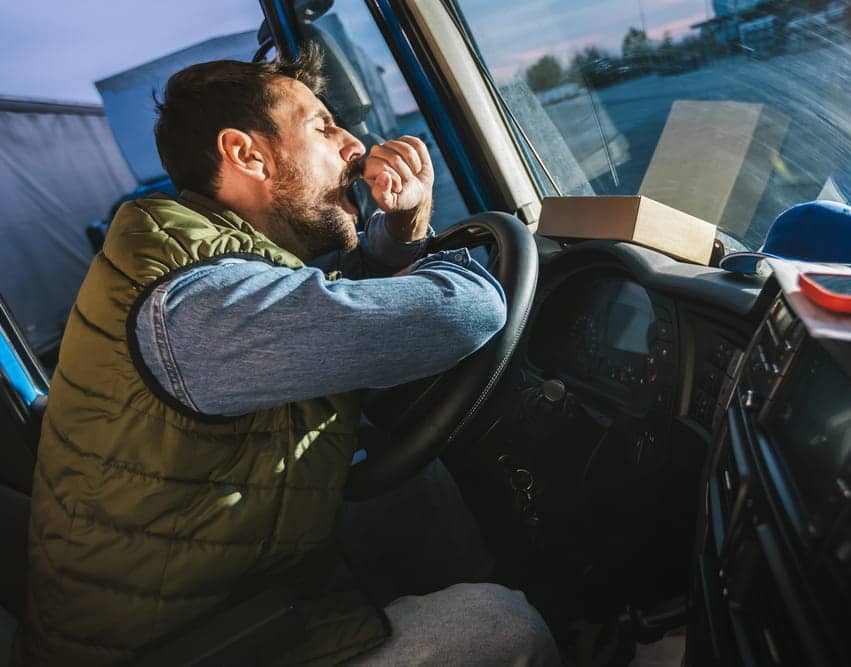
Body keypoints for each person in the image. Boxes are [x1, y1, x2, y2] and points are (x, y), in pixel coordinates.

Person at [20, 44, 558, 665]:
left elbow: (321, 301)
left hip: (213, 592)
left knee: (412, 486)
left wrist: (404, 231)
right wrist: (455, 266)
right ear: (246, 154)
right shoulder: (201, 309)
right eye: (322, 126)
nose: (354, 145)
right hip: (195, 643)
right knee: (499, 626)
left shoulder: (190, 253)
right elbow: (468, 311)